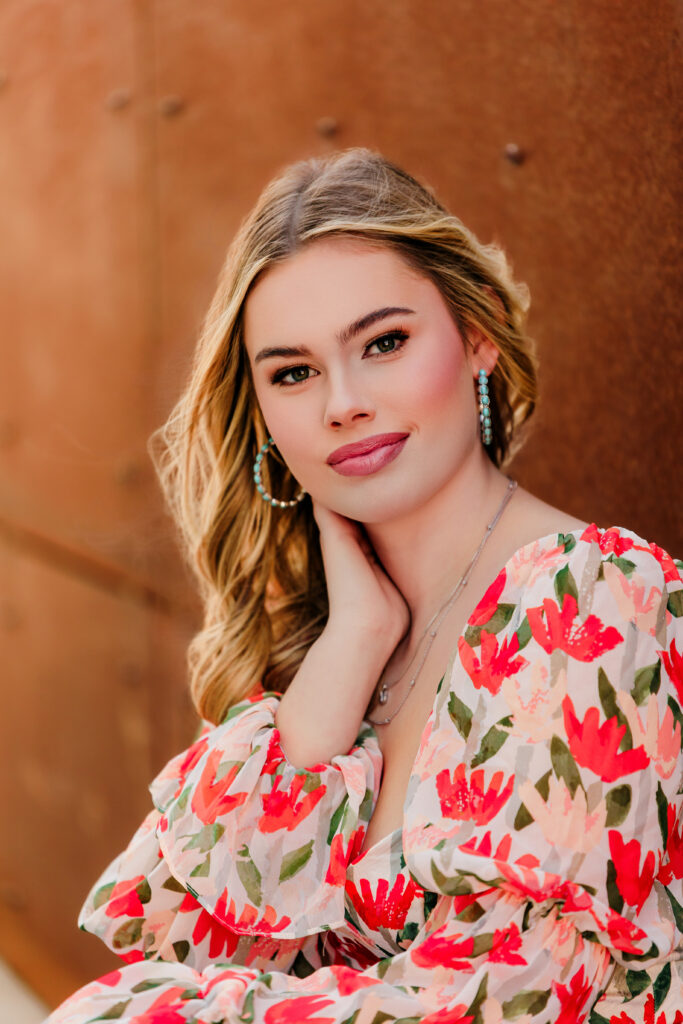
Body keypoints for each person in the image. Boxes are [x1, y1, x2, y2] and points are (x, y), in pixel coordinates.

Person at [45, 149, 682, 1023]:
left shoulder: (598, 597)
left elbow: (515, 997)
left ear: (479, 332)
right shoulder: (321, 640)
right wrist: (354, 634)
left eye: (383, 343)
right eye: (293, 372)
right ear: (263, 413)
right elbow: (209, 933)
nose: (341, 402)